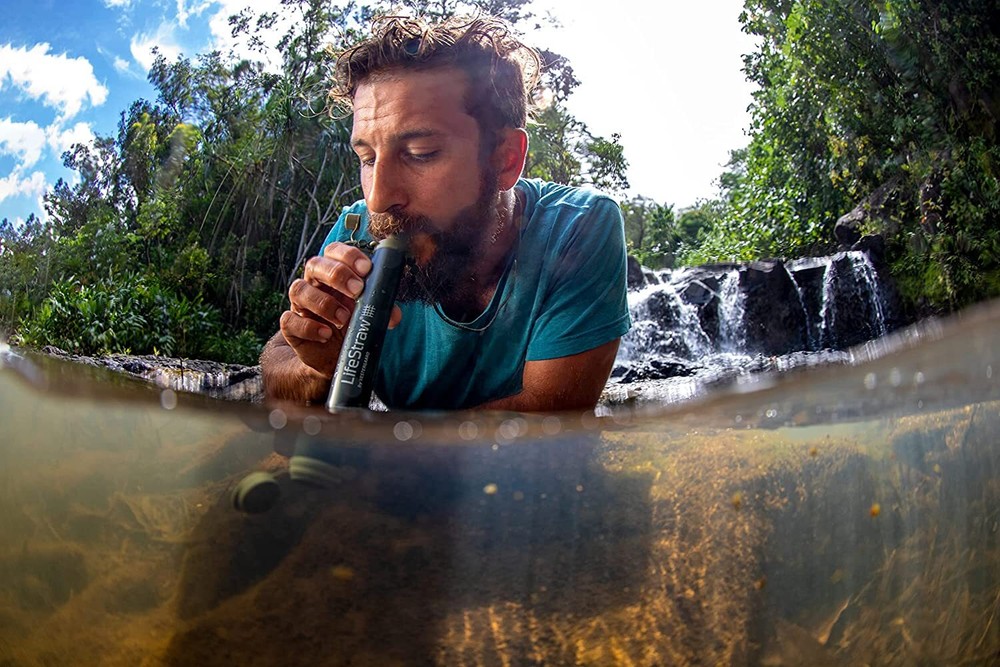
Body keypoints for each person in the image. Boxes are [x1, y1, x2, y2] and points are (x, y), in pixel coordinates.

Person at [259, 15, 630, 412]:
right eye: (367, 158)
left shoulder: (579, 227)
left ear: (505, 159)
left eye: (421, 154)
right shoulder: (360, 231)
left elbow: (549, 419)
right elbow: (279, 365)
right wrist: (318, 365)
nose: (378, 199)